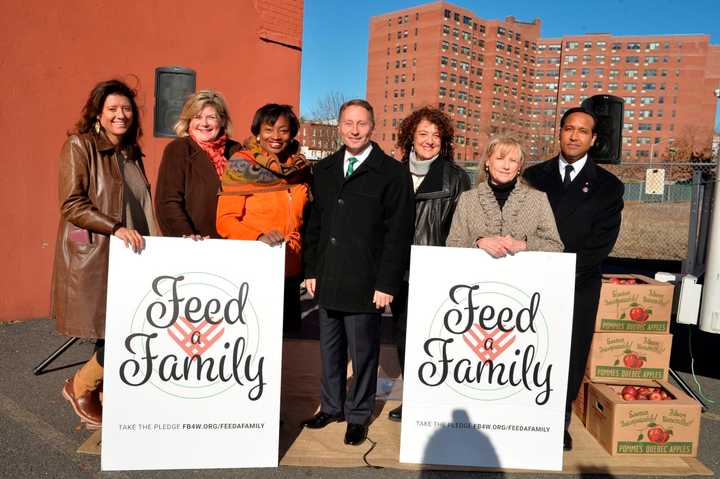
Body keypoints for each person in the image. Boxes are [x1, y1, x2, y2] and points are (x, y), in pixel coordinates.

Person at [301, 99, 414, 445]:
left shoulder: (392, 173)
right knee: (330, 350)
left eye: (361, 123)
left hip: (367, 281)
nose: (354, 129)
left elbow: (399, 234)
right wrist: (311, 269)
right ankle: (332, 406)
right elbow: (314, 225)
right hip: (329, 276)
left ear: (372, 126)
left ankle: (358, 414)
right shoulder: (324, 170)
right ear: (338, 126)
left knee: (364, 354)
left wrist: (386, 282)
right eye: (348, 123)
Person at [52, 79, 159, 429]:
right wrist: (114, 227)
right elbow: (72, 204)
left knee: (132, 328)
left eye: (126, 109)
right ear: (98, 114)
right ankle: (80, 386)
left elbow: (141, 206)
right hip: (98, 255)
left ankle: (112, 403)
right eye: (112, 109)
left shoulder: (131, 153)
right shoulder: (79, 146)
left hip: (133, 255)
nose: (121, 115)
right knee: (116, 331)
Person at [523, 107, 624, 451]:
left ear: (593, 139)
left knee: (569, 351)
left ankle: (557, 417)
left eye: (583, 131)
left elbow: (602, 241)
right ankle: (519, 409)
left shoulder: (609, 186)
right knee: (528, 346)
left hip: (578, 283)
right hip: (531, 279)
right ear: (560, 132)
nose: (574, 135)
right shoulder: (534, 175)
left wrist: (562, 270)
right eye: (569, 128)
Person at [387, 107, 471, 422]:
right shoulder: (392, 172)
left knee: (438, 338)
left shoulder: (456, 177)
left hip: (437, 272)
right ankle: (415, 398)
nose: (429, 141)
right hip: (399, 271)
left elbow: (463, 227)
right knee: (404, 335)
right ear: (410, 136)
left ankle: (440, 399)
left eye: (436, 135)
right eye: (423, 134)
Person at [216, 104, 311, 333]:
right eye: (268, 129)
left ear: (292, 134)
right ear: (258, 132)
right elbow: (225, 221)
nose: (275, 137)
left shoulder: (300, 169)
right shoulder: (241, 164)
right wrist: (258, 237)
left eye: (283, 130)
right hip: (254, 267)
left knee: (288, 343)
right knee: (254, 337)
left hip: (290, 269)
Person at [447, 136, 564, 254]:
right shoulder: (468, 199)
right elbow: (452, 243)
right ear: (487, 161)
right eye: (500, 158)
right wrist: (478, 242)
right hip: (478, 272)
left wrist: (524, 245)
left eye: (513, 161)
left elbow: (556, 245)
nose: (506, 166)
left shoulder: (538, 199)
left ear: (519, 167)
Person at [155, 90, 240, 239]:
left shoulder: (236, 151)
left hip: (233, 243)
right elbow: (168, 201)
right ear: (189, 121)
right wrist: (187, 235)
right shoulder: (178, 149)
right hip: (195, 243)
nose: (204, 124)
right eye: (197, 117)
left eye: (211, 117)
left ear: (222, 121)